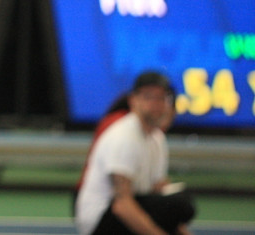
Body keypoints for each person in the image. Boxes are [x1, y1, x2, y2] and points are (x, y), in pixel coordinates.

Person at [75, 71, 196, 235]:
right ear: (133, 100)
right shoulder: (124, 137)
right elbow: (121, 205)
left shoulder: (156, 139)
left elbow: (157, 191)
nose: (156, 104)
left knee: (181, 202)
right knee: (179, 204)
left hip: (128, 205)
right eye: (148, 97)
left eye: (161, 98)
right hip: (101, 220)